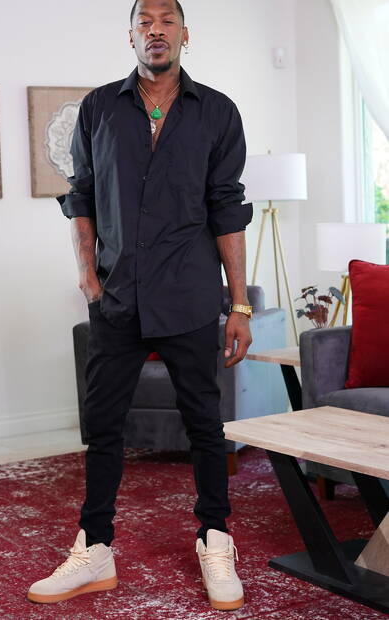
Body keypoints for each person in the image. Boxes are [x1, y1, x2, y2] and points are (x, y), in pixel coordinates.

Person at [27, 0, 253, 611]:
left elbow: (227, 208)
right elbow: (81, 196)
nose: (156, 31)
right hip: (117, 297)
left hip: (189, 296)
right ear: (131, 36)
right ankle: (94, 549)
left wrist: (239, 304)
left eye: (166, 21)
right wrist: (88, 278)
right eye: (145, 22)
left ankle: (215, 541)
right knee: (103, 426)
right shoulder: (99, 108)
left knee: (204, 425)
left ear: (185, 34)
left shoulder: (218, 112)